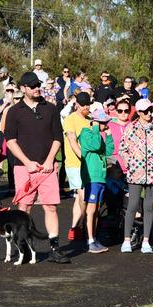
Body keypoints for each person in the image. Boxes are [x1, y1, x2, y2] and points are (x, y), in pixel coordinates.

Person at [4, 71, 69, 264]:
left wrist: (50, 160)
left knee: (50, 207)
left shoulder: (50, 108)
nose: (37, 88)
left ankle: (55, 249)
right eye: (32, 86)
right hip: (24, 167)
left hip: (47, 167)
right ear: (23, 88)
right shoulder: (14, 111)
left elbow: (58, 136)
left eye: (38, 85)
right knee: (24, 207)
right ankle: (24, 249)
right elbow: (10, 141)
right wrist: (27, 162)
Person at [119, 98, 153, 254]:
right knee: (133, 205)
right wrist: (130, 162)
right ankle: (126, 240)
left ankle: (146, 241)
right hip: (136, 172)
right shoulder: (131, 128)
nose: (149, 113)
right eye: (146, 111)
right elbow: (122, 148)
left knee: (148, 206)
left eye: (150, 110)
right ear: (139, 113)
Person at [79, 110, 114, 253]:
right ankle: (90, 240)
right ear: (95, 122)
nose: (106, 125)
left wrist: (109, 135)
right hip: (92, 178)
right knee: (91, 210)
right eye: (103, 123)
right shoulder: (86, 134)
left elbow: (109, 151)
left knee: (96, 210)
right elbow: (93, 145)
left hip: (100, 178)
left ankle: (94, 237)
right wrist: (94, 127)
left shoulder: (98, 135)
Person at [62, 92, 92, 241]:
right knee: (84, 196)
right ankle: (84, 226)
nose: (86, 107)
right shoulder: (70, 119)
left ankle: (74, 227)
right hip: (75, 164)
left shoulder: (90, 120)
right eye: (83, 104)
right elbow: (72, 140)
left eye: (88, 104)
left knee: (80, 198)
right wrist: (83, 157)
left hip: (89, 165)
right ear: (76, 104)